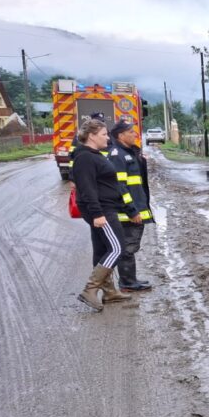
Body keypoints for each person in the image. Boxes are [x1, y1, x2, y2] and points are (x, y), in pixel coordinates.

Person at [71, 119, 142, 311]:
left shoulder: (94, 155)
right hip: (102, 210)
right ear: (92, 136)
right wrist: (97, 214)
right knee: (117, 248)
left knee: (102, 250)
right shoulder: (85, 157)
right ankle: (90, 289)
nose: (107, 138)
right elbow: (87, 189)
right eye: (103, 134)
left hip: (106, 208)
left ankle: (109, 292)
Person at [106, 121, 154, 291]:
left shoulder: (127, 152)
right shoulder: (117, 154)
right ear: (120, 135)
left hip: (133, 209)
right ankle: (127, 283)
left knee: (130, 247)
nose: (135, 134)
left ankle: (130, 280)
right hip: (126, 214)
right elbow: (120, 187)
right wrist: (132, 211)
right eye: (131, 132)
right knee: (127, 248)